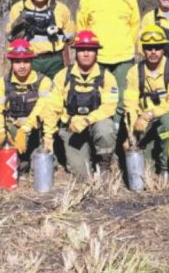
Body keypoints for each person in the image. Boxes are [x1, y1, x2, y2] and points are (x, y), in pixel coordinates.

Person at [77, 0, 139, 125]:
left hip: (123, 59)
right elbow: (81, 27)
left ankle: (119, 137)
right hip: (97, 60)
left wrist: (125, 45)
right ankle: (98, 138)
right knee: (95, 98)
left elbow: (135, 26)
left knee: (122, 100)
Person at [49, 30, 118, 178]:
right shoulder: (63, 76)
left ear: (96, 53)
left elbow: (109, 107)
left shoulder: (107, 77)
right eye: (82, 50)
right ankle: (85, 155)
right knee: (81, 174)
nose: (86, 54)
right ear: (75, 52)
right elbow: (53, 107)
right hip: (72, 128)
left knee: (106, 128)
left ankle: (103, 164)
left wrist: (88, 120)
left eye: (90, 50)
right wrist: (51, 133)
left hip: (95, 124)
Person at [124, 25, 169, 175]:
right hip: (143, 123)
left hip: (164, 119)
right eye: (149, 47)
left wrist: (148, 115)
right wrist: (131, 131)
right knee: (146, 168)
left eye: (157, 47)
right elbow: (130, 104)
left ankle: (165, 168)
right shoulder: (134, 72)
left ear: (163, 48)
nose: (153, 52)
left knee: (167, 125)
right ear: (143, 49)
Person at [0, 39, 58, 164]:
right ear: (11, 62)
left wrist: (26, 129)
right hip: (12, 128)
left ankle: (28, 157)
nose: (22, 66)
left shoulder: (44, 81)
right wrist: (1, 132)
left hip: (35, 131)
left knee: (44, 165)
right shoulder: (0, 83)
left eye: (26, 61)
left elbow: (42, 107)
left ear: (32, 61)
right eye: (17, 62)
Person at [6, 0, 75, 79]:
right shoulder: (18, 8)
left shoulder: (61, 9)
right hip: (28, 60)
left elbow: (70, 39)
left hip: (55, 62)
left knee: (56, 94)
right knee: (30, 95)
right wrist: (17, 29)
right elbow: (10, 37)